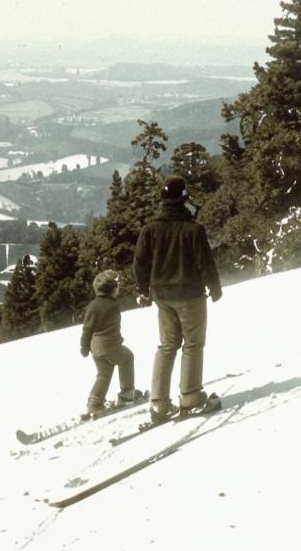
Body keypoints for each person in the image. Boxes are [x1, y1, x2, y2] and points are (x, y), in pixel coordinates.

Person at [134, 175, 224, 424]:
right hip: (190, 294)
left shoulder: (150, 230)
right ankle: (191, 397)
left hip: (162, 296)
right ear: (184, 198)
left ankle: (159, 404)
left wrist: (144, 290)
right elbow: (205, 262)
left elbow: (140, 264)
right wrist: (215, 288)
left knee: (167, 345)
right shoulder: (194, 230)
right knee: (192, 345)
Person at [80, 269, 140, 417]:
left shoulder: (92, 306)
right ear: (112, 290)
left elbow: (87, 328)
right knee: (127, 357)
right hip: (110, 346)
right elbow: (114, 328)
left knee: (103, 374)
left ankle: (94, 402)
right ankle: (127, 392)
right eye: (117, 286)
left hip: (95, 347)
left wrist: (84, 346)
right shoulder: (113, 305)